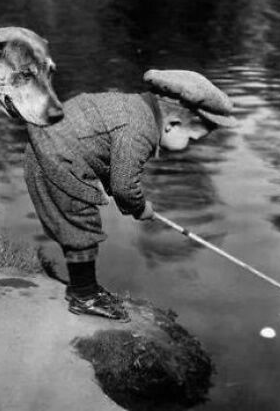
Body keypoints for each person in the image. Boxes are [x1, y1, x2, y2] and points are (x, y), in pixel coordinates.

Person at [24, 70, 236, 320]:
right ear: (172, 124)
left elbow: (108, 158)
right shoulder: (141, 130)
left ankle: (86, 288)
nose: (189, 145)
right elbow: (124, 185)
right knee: (80, 227)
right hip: (56, 160)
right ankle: (84, 296)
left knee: (78, 225)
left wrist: (124, 194)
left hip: (50, 149)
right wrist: (139, 207)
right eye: (191, 138)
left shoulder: (135, 108)